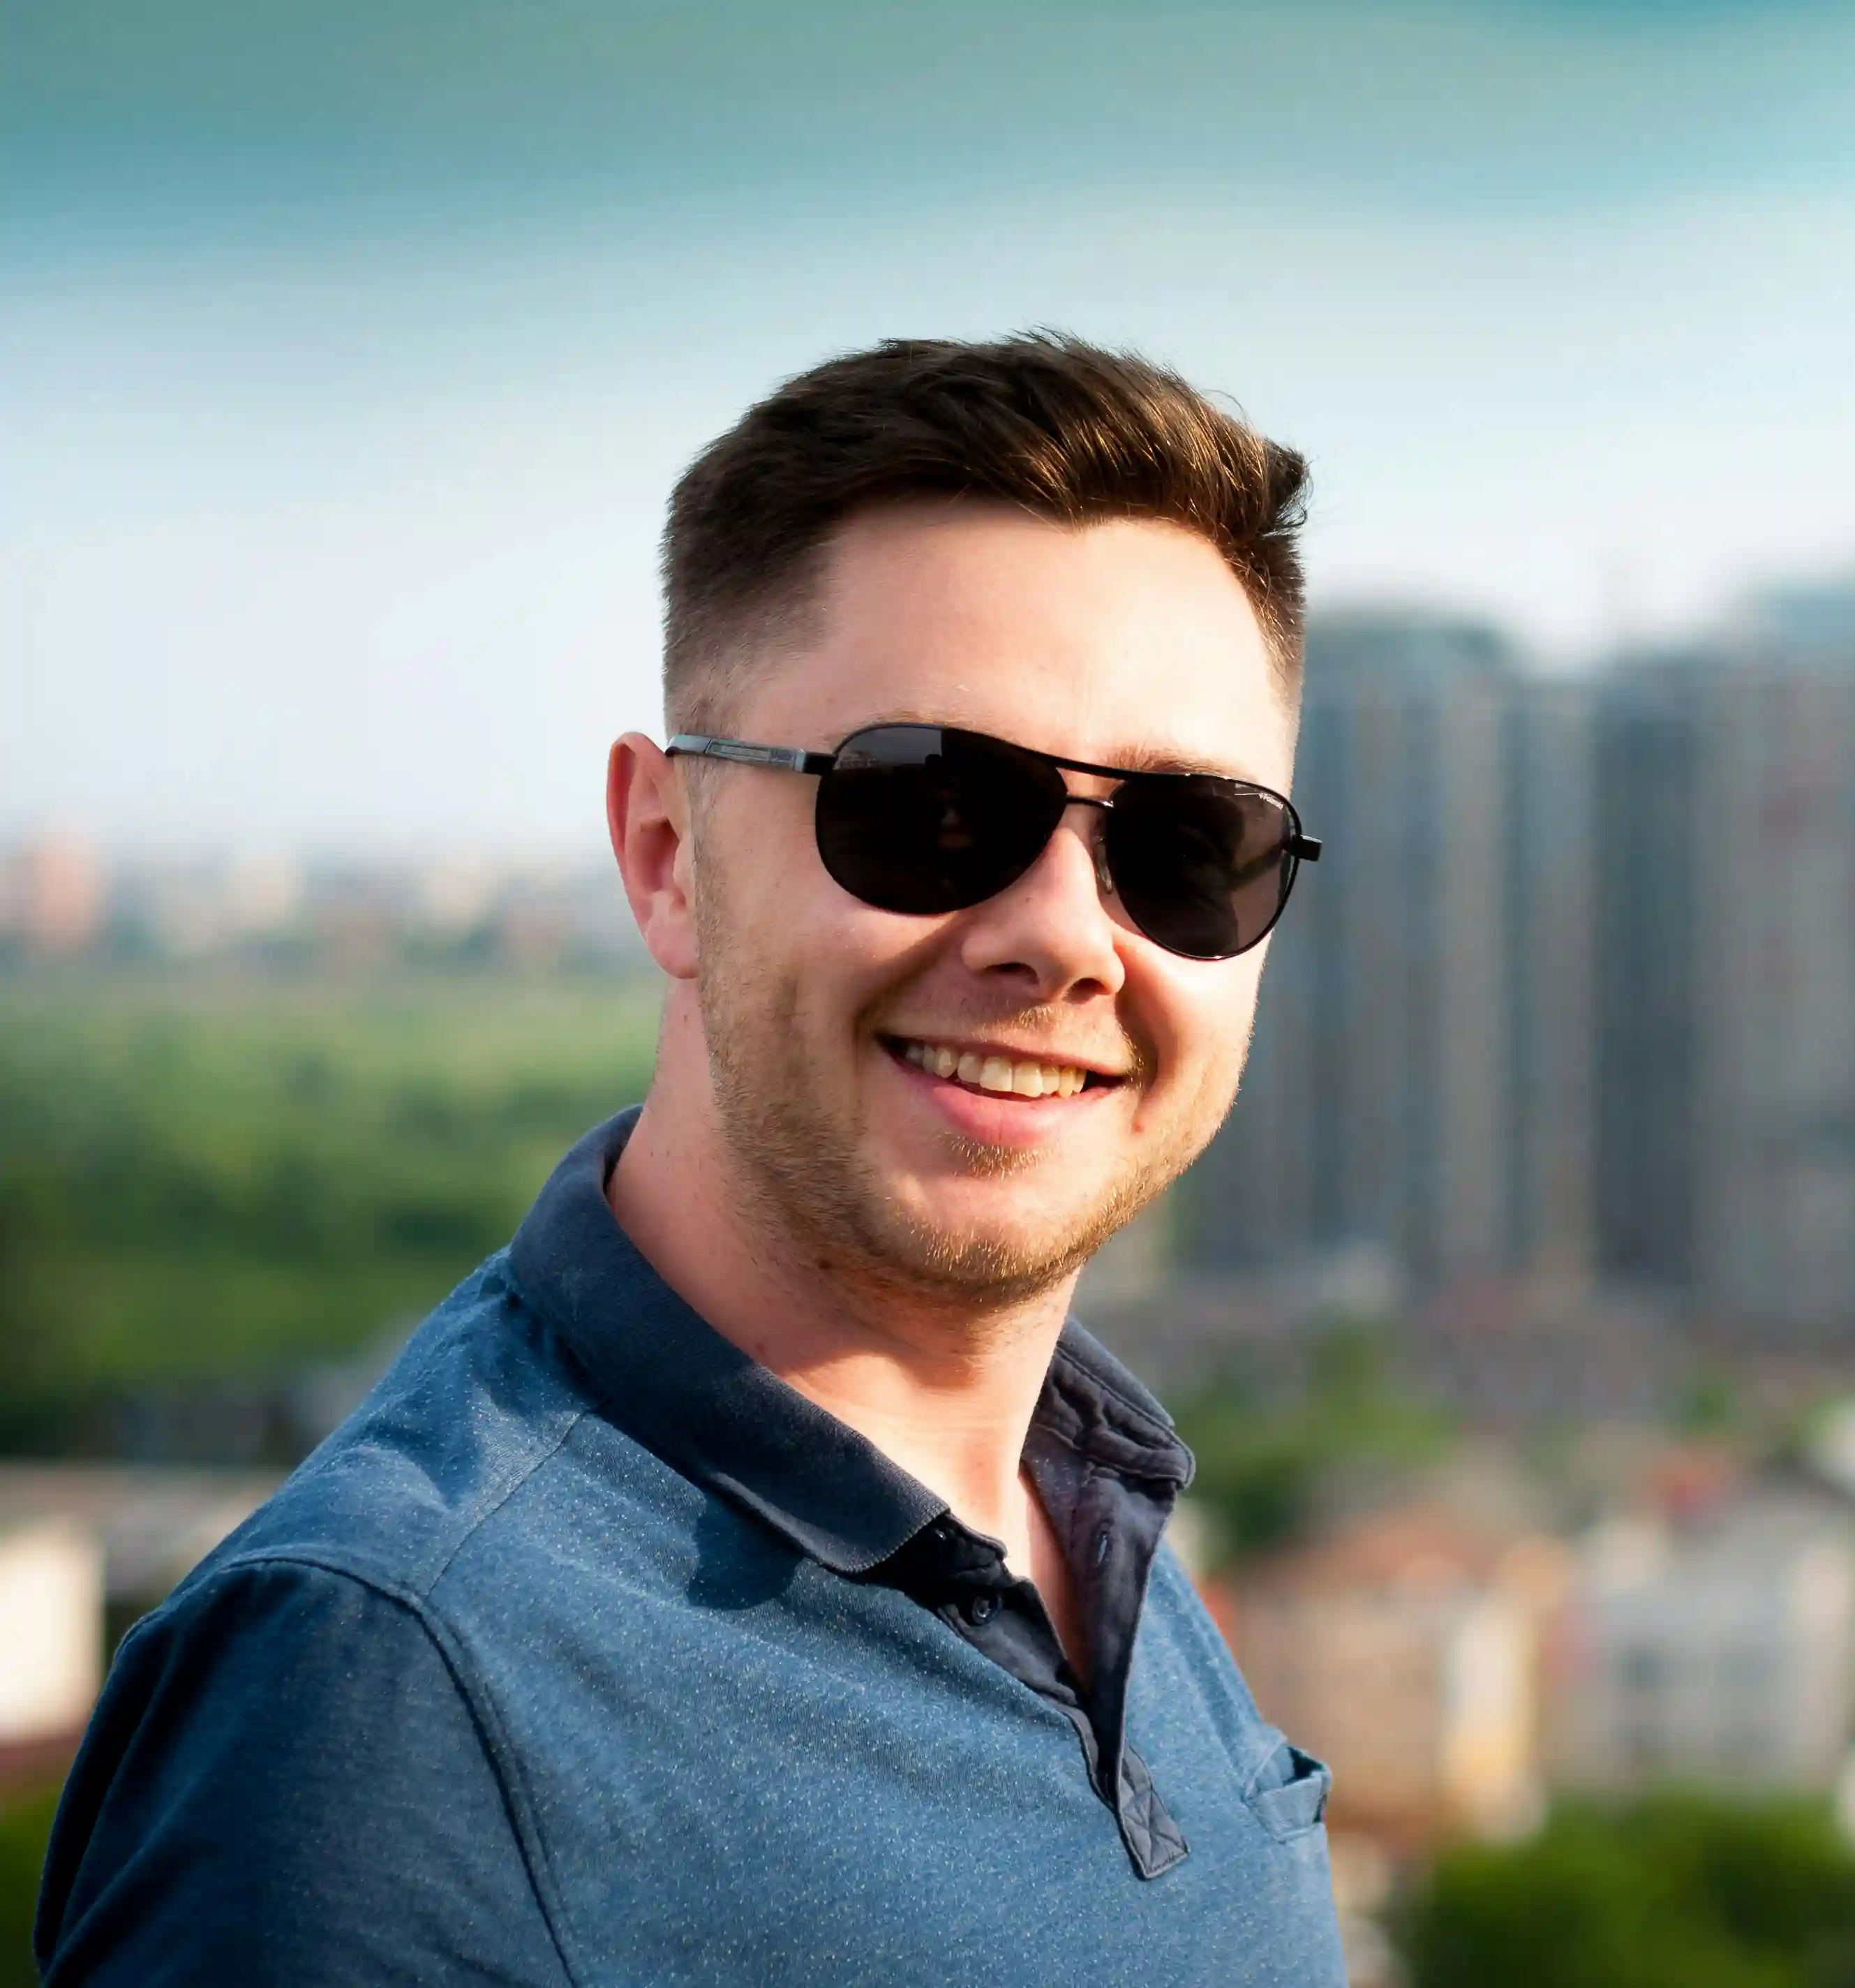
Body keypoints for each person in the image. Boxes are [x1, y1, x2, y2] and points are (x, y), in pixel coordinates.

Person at [36, 336, 1345, 1984]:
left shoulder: (1100, 1522)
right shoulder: (388, 1698)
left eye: (1186, 846)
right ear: (665, 854)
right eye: (930, 807)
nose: (1064, 937)